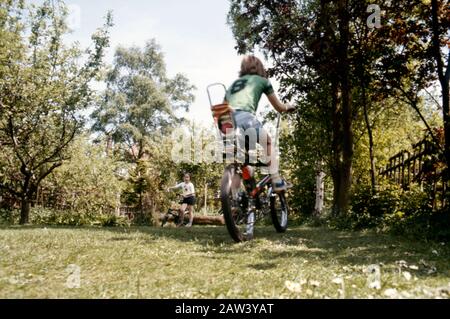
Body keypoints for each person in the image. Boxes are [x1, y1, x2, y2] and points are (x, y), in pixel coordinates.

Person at [224, 55, 295, 192]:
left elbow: (224, 106)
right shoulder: (263, 81)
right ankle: (277, 180)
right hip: (245, 117)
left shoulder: (233, 84)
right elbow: (279, 107)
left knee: (239, 161)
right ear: (260, 67)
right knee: (267, 142)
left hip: (226, 120)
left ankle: (234, 203)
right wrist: (288, 107)